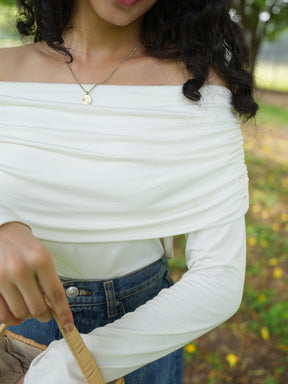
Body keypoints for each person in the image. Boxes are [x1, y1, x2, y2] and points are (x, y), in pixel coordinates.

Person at [0, 0, 259, 383]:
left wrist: (67, 368)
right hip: (16, 332)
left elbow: (219, 277)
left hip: (142, 342)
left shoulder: (201, 90)